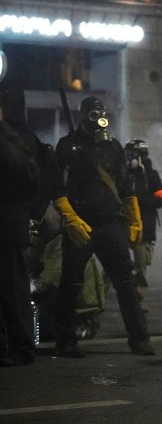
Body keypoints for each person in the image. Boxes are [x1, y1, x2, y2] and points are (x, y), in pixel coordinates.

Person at [52, 96, 155, 357]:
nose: (98, 118)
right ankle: (65, 340)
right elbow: (56, 187)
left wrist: (135, 219)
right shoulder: (67, 146)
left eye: (101, 112)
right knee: (71, 283)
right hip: (82, 225)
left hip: (111, 224)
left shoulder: (113, 147)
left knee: (125, 282)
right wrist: (71, 218)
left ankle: (140, 339)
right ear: (82, 115)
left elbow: (125, 185)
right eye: (92, 113)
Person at [0, 83, 40, 366]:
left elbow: (21, 171)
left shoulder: (19, 139)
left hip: (9, 226)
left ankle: (22, 347)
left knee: (13, 289)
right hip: (10, 223)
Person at [124, 139, 162, 305]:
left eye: (134, 155)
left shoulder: (151, 175)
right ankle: (100, 301)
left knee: (139, 268)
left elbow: (161, 200)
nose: (131, 158)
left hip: (144, 228)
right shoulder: (121, 174)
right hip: (124, 225)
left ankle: (136, 303)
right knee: (114, 264)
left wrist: (137, 200)